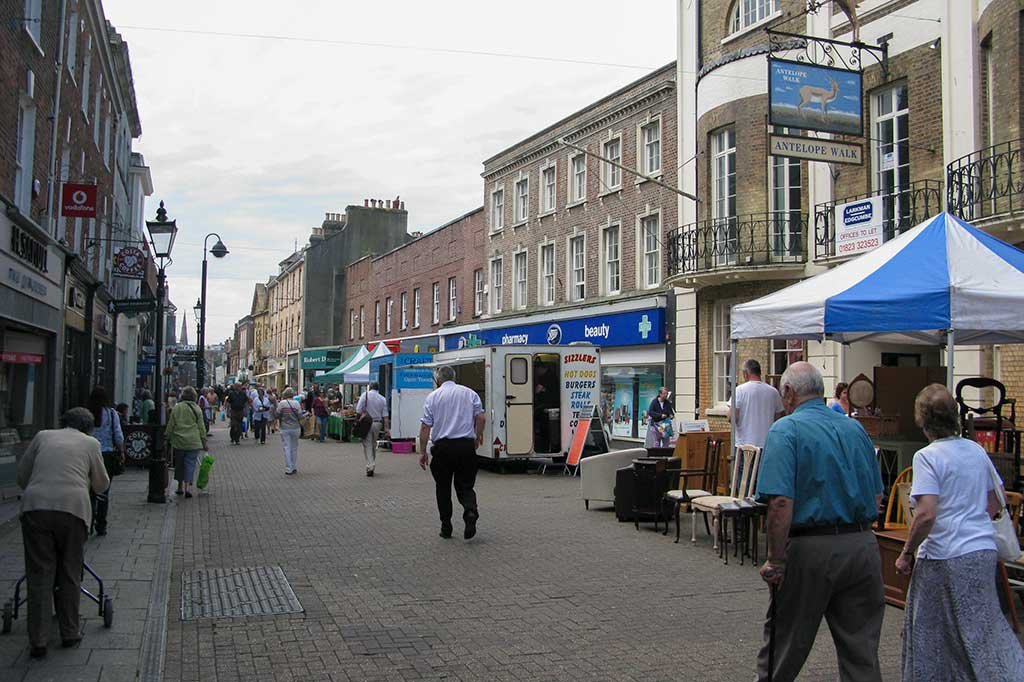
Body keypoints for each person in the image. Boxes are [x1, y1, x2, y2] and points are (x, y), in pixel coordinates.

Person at [754, 362, 884, 682]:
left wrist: (775, 560)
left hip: (811, 548)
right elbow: (877, 495)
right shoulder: (855, 429)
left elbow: (780, 502)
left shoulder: (786, 430)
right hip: (862, 545)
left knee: (784, 646)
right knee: (861, 652)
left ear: (788, 392)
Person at [896, 384, 1024, 679]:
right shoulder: (976, 450)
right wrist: (970, 516)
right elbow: (995, 500)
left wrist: (906, 553)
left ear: (923, 420)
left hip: (944, 555)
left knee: (932, 633)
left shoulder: (927, 456)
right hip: (981, 550)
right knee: (982, 627)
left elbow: (926, 514)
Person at [17, 408, 110, 658]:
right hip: (73, 509)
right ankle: (69, 631)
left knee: (39, 572)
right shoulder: (90, 443)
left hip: (36, 507)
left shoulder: (42, 436)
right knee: (70, 570)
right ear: (89, 427)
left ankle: (38, 638)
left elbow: (22, 475)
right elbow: (102, 483)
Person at [418, 366, 486, 540]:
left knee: (443, 488)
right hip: (465, 447)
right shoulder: (470, 393)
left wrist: (423, 451)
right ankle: (470, 510)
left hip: (443, 449)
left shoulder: (433, 397)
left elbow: (425, 426)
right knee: (466, 485)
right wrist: (477, 436)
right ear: (454, 377)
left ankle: (446, 527)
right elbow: (481, 417)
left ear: (438, 379)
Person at [86, 386, 123, 536]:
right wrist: (121, 451)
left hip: (88, 453)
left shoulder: (87, 414)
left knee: (88, 490)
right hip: (106, 455)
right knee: (104, 490)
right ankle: (101, 525)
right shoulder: (112, 413)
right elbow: (118, 436)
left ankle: (88, 523)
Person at [728, 359, 784, 450]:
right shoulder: (773, 392)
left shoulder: (739, 390)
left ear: (746, 373)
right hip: (767, 445)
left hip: (744, 445)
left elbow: (732, 417)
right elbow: (778, 419)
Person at [165, 387, 208, 498]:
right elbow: (201, 427)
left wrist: (167, 436)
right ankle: (187, 488)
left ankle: (179, 487)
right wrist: (204, 441)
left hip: (179, 441)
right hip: (193, 441)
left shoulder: (177, 408)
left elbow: (171, 424)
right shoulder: (197, 409)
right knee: (190, 465)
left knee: (179, 464)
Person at [356, 383, 389, 476]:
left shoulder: (365, 395)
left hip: (366, 423)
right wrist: (386, 429)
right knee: (373, 444)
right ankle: (371, 464)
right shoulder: (382, 399)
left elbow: (358, 410)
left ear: (370, 387)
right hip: (378, 423)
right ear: (378, 388)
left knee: (367, 444)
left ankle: (370, 465)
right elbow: (385, 416)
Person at [273, 388, 306, 475]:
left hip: (285, 428)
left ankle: (289, 468)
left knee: (287, 447)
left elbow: (276, 415)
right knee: (294, 448)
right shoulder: (296, 403)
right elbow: (300, 416)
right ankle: (294, 467)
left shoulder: (282, 403)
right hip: (296, 428)